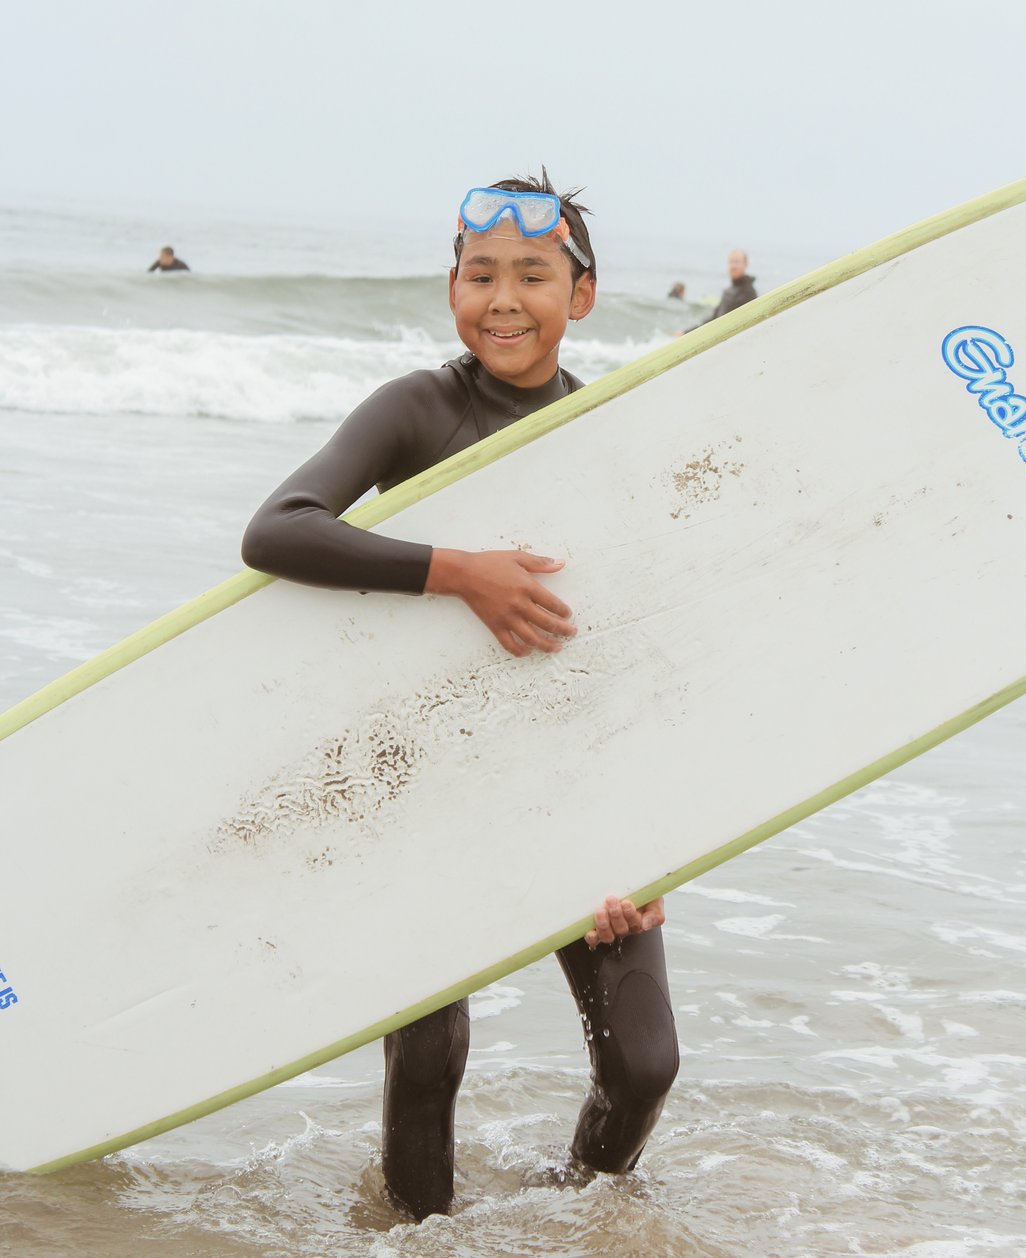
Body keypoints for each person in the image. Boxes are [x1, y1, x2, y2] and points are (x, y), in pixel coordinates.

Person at [240, 172, 680, 1221]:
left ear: (580, 297)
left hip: (571, 776)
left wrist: (666, 846)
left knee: (644, 1067)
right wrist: (455, 570)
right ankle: (418, 1239)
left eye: (533, 274)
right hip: (429, 769)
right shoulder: (416, 407)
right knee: (429, 1057)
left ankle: (574, 1216)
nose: (503, 298)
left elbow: (657, 655)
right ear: (451, 293)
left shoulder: (614, 433)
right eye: (480, 275)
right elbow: (278, 528)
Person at [679, 248, 756, 332]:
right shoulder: (728, 291)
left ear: (745, 265)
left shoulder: (749, 293)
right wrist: (686, 332)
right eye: (731, 262)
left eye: (737, 262)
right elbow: (714, 318)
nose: (733, 266)